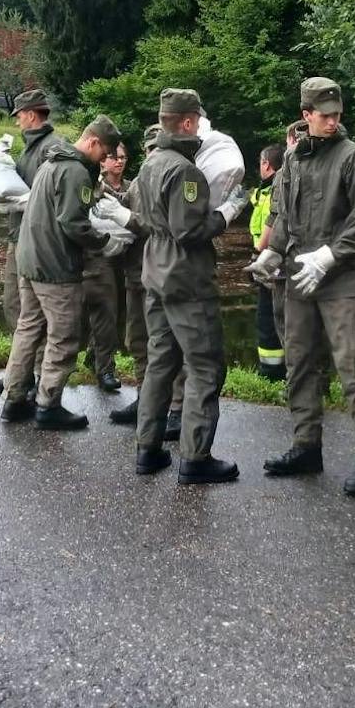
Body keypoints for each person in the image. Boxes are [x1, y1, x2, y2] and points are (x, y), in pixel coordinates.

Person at [250, 78, 355, 497]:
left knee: (353, 366)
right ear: (306, 115)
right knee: (300, 361)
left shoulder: (352, 157)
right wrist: (271, 253)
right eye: (324, 115)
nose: (332, 121)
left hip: (339, 277)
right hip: (297, 275)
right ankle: (306, 445)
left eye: (337, 114)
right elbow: (283, 212)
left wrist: (331, 254)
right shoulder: (293, 160)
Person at [104, 89, 247, 484]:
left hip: (154, 273)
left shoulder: (150, 163)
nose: (200, 125)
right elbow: (189, 230)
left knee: (159, 364)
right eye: (197, 119)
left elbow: (149, 221)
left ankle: (147, 450)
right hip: (186, 278)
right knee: (205, 366)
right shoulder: (186, 172)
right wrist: (227, 212)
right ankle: (196, 458)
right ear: (186, 122)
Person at [0, 116, 126, 430]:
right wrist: (104, 243)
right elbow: (74, 223)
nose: (105, 160)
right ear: (94, 142)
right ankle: (48, 403)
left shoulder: (50, 163)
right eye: (106, 152)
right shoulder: (75, 171)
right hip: (55, 267)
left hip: (28, 261)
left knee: (28, 330)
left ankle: (14, 399)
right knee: (64, 336)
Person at [0, 89, 69, 396]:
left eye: (19, 116)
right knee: (16, 307)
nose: (17, 122)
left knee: (40, 315)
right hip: (18, 238)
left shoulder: (55, 149)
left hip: (41, 244)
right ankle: (17, 375)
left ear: (31, 114)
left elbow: (59, 198)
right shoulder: (28, 150)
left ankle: (37, 378)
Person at [105, 123, 188, 434]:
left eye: (159, 147)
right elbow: (123, 205)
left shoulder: (177, 176)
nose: (155, 153)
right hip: (135, 274)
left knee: (170, 343)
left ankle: (177, 407)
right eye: (150, 149)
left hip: (165, 277)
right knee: (138, 341)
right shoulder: (140, 181)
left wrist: (126, 218)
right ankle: (146, 399)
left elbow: (165, 226)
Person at [80, 140, 130, 394]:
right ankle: (106, 368)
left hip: (126, 258)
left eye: (122, 157)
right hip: (99, 256)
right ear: (102, 161)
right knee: (105, 312)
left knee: (120, 313)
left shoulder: (132, 188)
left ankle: (93, 354)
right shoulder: (93, 187)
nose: (119, 161)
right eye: (113, 157)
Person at [249, 143, 286, 381]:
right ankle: (273, 370)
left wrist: (260, 250)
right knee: (271, 316)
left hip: (272, 261)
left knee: (270, 317)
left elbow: (271, 226)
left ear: (265, 164)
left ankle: (272, 372)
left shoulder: (276, 189)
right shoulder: (264, 191)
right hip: (264, 259)